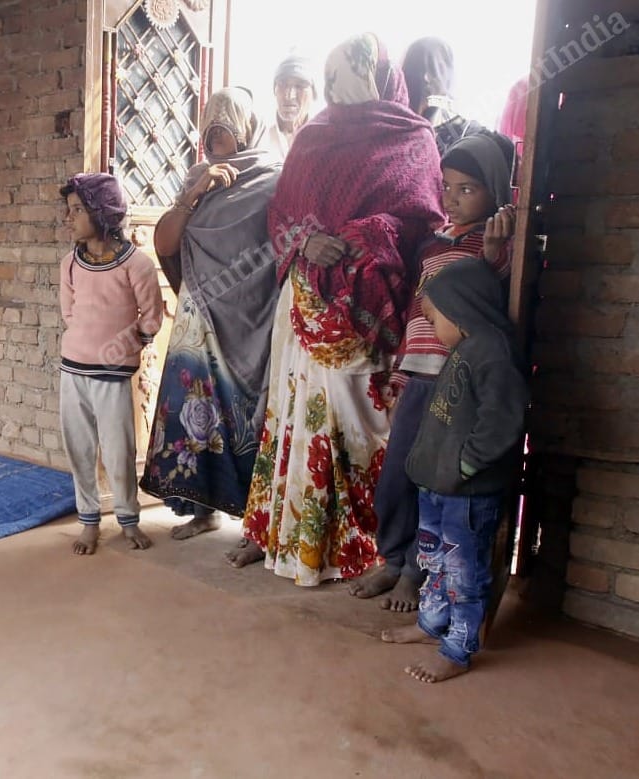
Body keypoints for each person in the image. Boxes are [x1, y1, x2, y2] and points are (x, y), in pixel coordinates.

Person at [230, 33, 445, 583]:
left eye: (345, 74)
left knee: (357, 419)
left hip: (367, 304)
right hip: (305, 301)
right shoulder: (313, 137)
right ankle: (281, 534)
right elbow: (281, 213)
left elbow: (424, 221)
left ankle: (359, 546)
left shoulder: (412, 138)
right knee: (293, 411)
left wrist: (367, 234)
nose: (334, 86)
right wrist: (306, 241)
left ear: (378, 74)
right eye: (331, 76)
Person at [349, 131, 517, 610]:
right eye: (447, 186)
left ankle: (415, 573)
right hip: (418, 375)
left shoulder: (496, 246)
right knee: (397, 475)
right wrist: (400, 375)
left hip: (455, 381)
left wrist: (493, 252)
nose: (452, 197)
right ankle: (392, 559)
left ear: (494, 192)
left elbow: (492, 302)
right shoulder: (433, 245)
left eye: (468, 188)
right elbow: (414, 314)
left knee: (435, 482)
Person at [139, 87, 282, 540]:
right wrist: (195, 193)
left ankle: (257, 526)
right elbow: (165, 242)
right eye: (210, 130)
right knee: (194, 419)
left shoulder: (276, 178)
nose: (216, 139)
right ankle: (204, 512)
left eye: (227, 129)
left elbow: (280, 250)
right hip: (199, 321)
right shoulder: (199, 178)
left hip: (252, 324)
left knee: (252, 421)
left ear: (248, 129)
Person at [380, 257, 529, 683]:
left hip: (467, 492)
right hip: (439, 486)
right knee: (435, 562)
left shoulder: (494, 354)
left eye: (435, 318)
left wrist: (464, 466)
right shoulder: (465, 350)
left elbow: (501, 423)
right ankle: (431, 626)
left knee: (463, 573)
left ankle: (458, 650)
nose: (432, 328)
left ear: (462, 312)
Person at [59, 173, 164, 555]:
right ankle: (89, 521)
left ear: (101, 212)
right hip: (73, 370)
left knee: (118, 449)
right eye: (68, 210)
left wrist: (121, 349)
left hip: (112, 373)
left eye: (77, 210)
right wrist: (86, 345)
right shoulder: (70, 263)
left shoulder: (136, 264)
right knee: (79, 447)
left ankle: (128, 519)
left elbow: (152, 317)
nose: (68, 218)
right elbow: (69, 312)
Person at [401, 37, 484, 155]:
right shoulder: (397, 127)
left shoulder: (466, 133)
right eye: (417, 69)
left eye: (434, 69)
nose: (426, 78)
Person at [263, 54, 317, 161]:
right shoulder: (259, 135)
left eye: (299, 86)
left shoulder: (325, 137)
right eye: (282, 84)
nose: (289, 95)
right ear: (274, 90)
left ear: (314, 94)